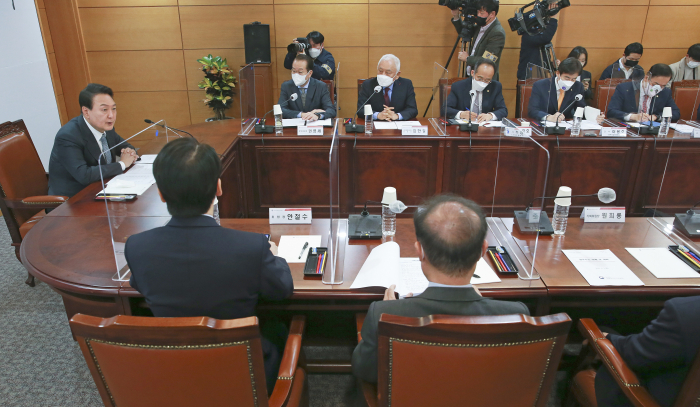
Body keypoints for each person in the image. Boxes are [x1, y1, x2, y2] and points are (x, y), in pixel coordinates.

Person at [124, 137, 293, 393]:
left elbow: (140, 286)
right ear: (218, 188)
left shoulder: (136, 246)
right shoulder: (251, 247)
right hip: (244, 375)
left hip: (173, 372)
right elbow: (282, 290)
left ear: (159, 192)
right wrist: (275, 255)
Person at [351, 194, 530, 383]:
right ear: (483, 250)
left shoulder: (384, 313)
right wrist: (484, 303)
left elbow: (365, 370)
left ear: (420, 251)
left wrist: (390, 314)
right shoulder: (517, 314)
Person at [595, 296, 700, 407]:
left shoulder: (687, 311)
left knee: (599, 334)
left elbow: (635, 355)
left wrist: (606, 338)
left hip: (651, 399)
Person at [48, 83, 137, 198]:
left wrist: (130, 152)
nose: (111, 115)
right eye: (104, 109)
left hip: (101, 190)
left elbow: (125, 147)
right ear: (86, 111)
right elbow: (84, 175)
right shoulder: (68, 136)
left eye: (114, 109)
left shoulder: (106, 128)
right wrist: (122, 164)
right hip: (73, 201)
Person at [529, 58, 603, 123]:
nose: (570, 82)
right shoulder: (540, 85)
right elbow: (532, 110)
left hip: (565, 126)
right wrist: (549, 117)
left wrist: (594, 116)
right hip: (543, 125)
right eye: (567, 78)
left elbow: (581, 108)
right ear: (558, 73)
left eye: (573, 79)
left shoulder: (578, 86)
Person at [607, 63, 681, 123]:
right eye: (655, 84)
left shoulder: (665, 92)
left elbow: (675, 113)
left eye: (663, 86)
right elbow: (611, 112)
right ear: (646, 78)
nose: (658, 89)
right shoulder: (624, 88)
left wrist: (656, 117)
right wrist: (633, 117)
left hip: (652, 132)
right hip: (629, 130)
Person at [452, 0, 506, 80]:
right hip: (471, 75)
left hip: (485, 80)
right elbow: (464, 32)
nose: (478, 15)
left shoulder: (497, 33)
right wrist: (456, 16)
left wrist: (467, 58)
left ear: (492, 14)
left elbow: (487, 60)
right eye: (477, 12)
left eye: (482, 13)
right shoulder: (481, 25)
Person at [443, 58, 508, 122]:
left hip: (484, 128)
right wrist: (461, 114)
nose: (482, 82)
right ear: (472, 73)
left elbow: (503, 110)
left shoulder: (495, 86)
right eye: (480, 78)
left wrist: (490, 115)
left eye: (487, 80)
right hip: (463, 126)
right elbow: (445, 109)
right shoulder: (459, 86)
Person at [357, 54, 418, 121]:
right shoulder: (368, 84)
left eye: (388, 72)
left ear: (397, 75)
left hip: (398, 127)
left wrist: (397, 116)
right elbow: (361, 110)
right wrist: (378, 115)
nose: (383, 75)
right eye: (380, 71)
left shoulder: (406, 84)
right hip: (375, 127)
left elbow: (412, 109)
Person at [279, 54, 336, 121]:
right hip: (294, 128)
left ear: (309, 73)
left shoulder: (321, 86)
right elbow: (281, 110)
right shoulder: (286, 86)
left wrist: (318, 115)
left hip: (314, 126)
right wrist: (301, 114)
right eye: (294, 71)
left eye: (300, 72)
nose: (296, 74)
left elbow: (331, 110)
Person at [516, 4, 559, 80]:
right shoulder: (529, 35)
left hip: (539, 77)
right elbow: (545, 38)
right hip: (528, 79)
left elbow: (541, 60)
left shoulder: (538, 36)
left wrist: (552, 66)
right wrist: (553, 19)